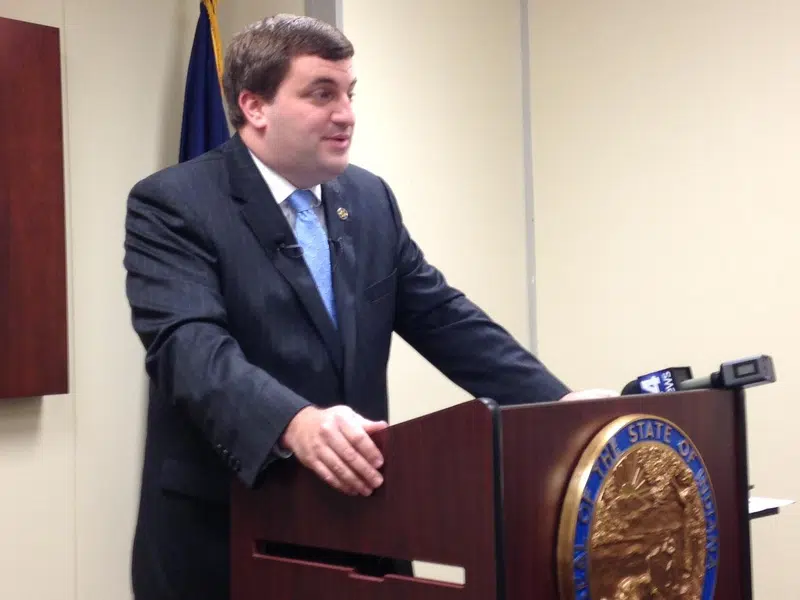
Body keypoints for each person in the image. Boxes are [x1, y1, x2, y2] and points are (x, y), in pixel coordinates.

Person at [123, 13, 611, 600]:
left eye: (349, 93)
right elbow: (188, 347)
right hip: (224, 535)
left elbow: (443, 317)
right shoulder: (173, 204)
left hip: (357, 523)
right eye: (321, 93)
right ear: (255, 106)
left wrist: (556, 405)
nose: (346, 114)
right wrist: (293, 422)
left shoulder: (369, 198)